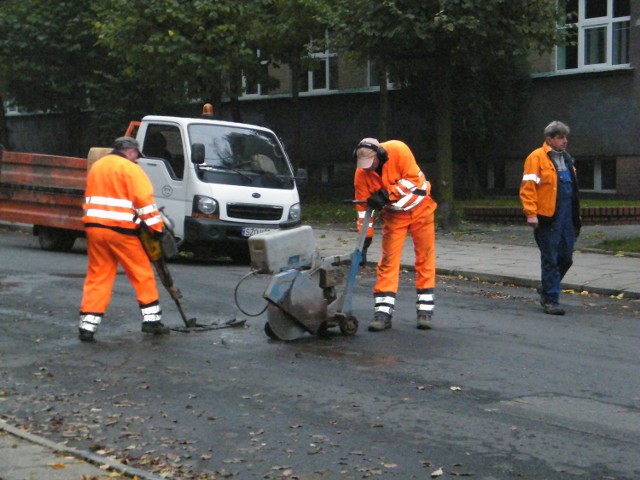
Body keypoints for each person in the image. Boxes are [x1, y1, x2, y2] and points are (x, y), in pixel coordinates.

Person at [78, 136, 169, 341]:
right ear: (130, 151)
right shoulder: (131, 169)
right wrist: (156, 228)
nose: (137, 159)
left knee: (98, 276)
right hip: (122, 231)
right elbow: (144, 202)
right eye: (136, 154)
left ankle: (87, 326)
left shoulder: (98, 166)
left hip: (94, 229)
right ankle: (152, 321)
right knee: (141, 273)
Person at [353, 138, 438, 332]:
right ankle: (382, 314)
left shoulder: (399, 150)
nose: (368, 169)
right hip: (394, 216)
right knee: (388, 261)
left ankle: (425, 312)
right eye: (364, 165)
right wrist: (364, 241)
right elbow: (362, 209)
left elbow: (413, 180)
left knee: (424, 258)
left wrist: (386, 194)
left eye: (371, 164)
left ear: (380, 155)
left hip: (421, 209)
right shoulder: (361, 174)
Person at [520, 121, 581, 315]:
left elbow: (573, 191)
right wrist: (531, 214)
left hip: (567, 218)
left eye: (565, 137)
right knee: (551, 259)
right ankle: (550, 300)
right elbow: (528, 189)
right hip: (548, 218)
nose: (565, 141)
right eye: (560, 137)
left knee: (566, 258)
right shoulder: (536, 158)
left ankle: (547, 287)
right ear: (549, 139)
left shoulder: (567, 160)